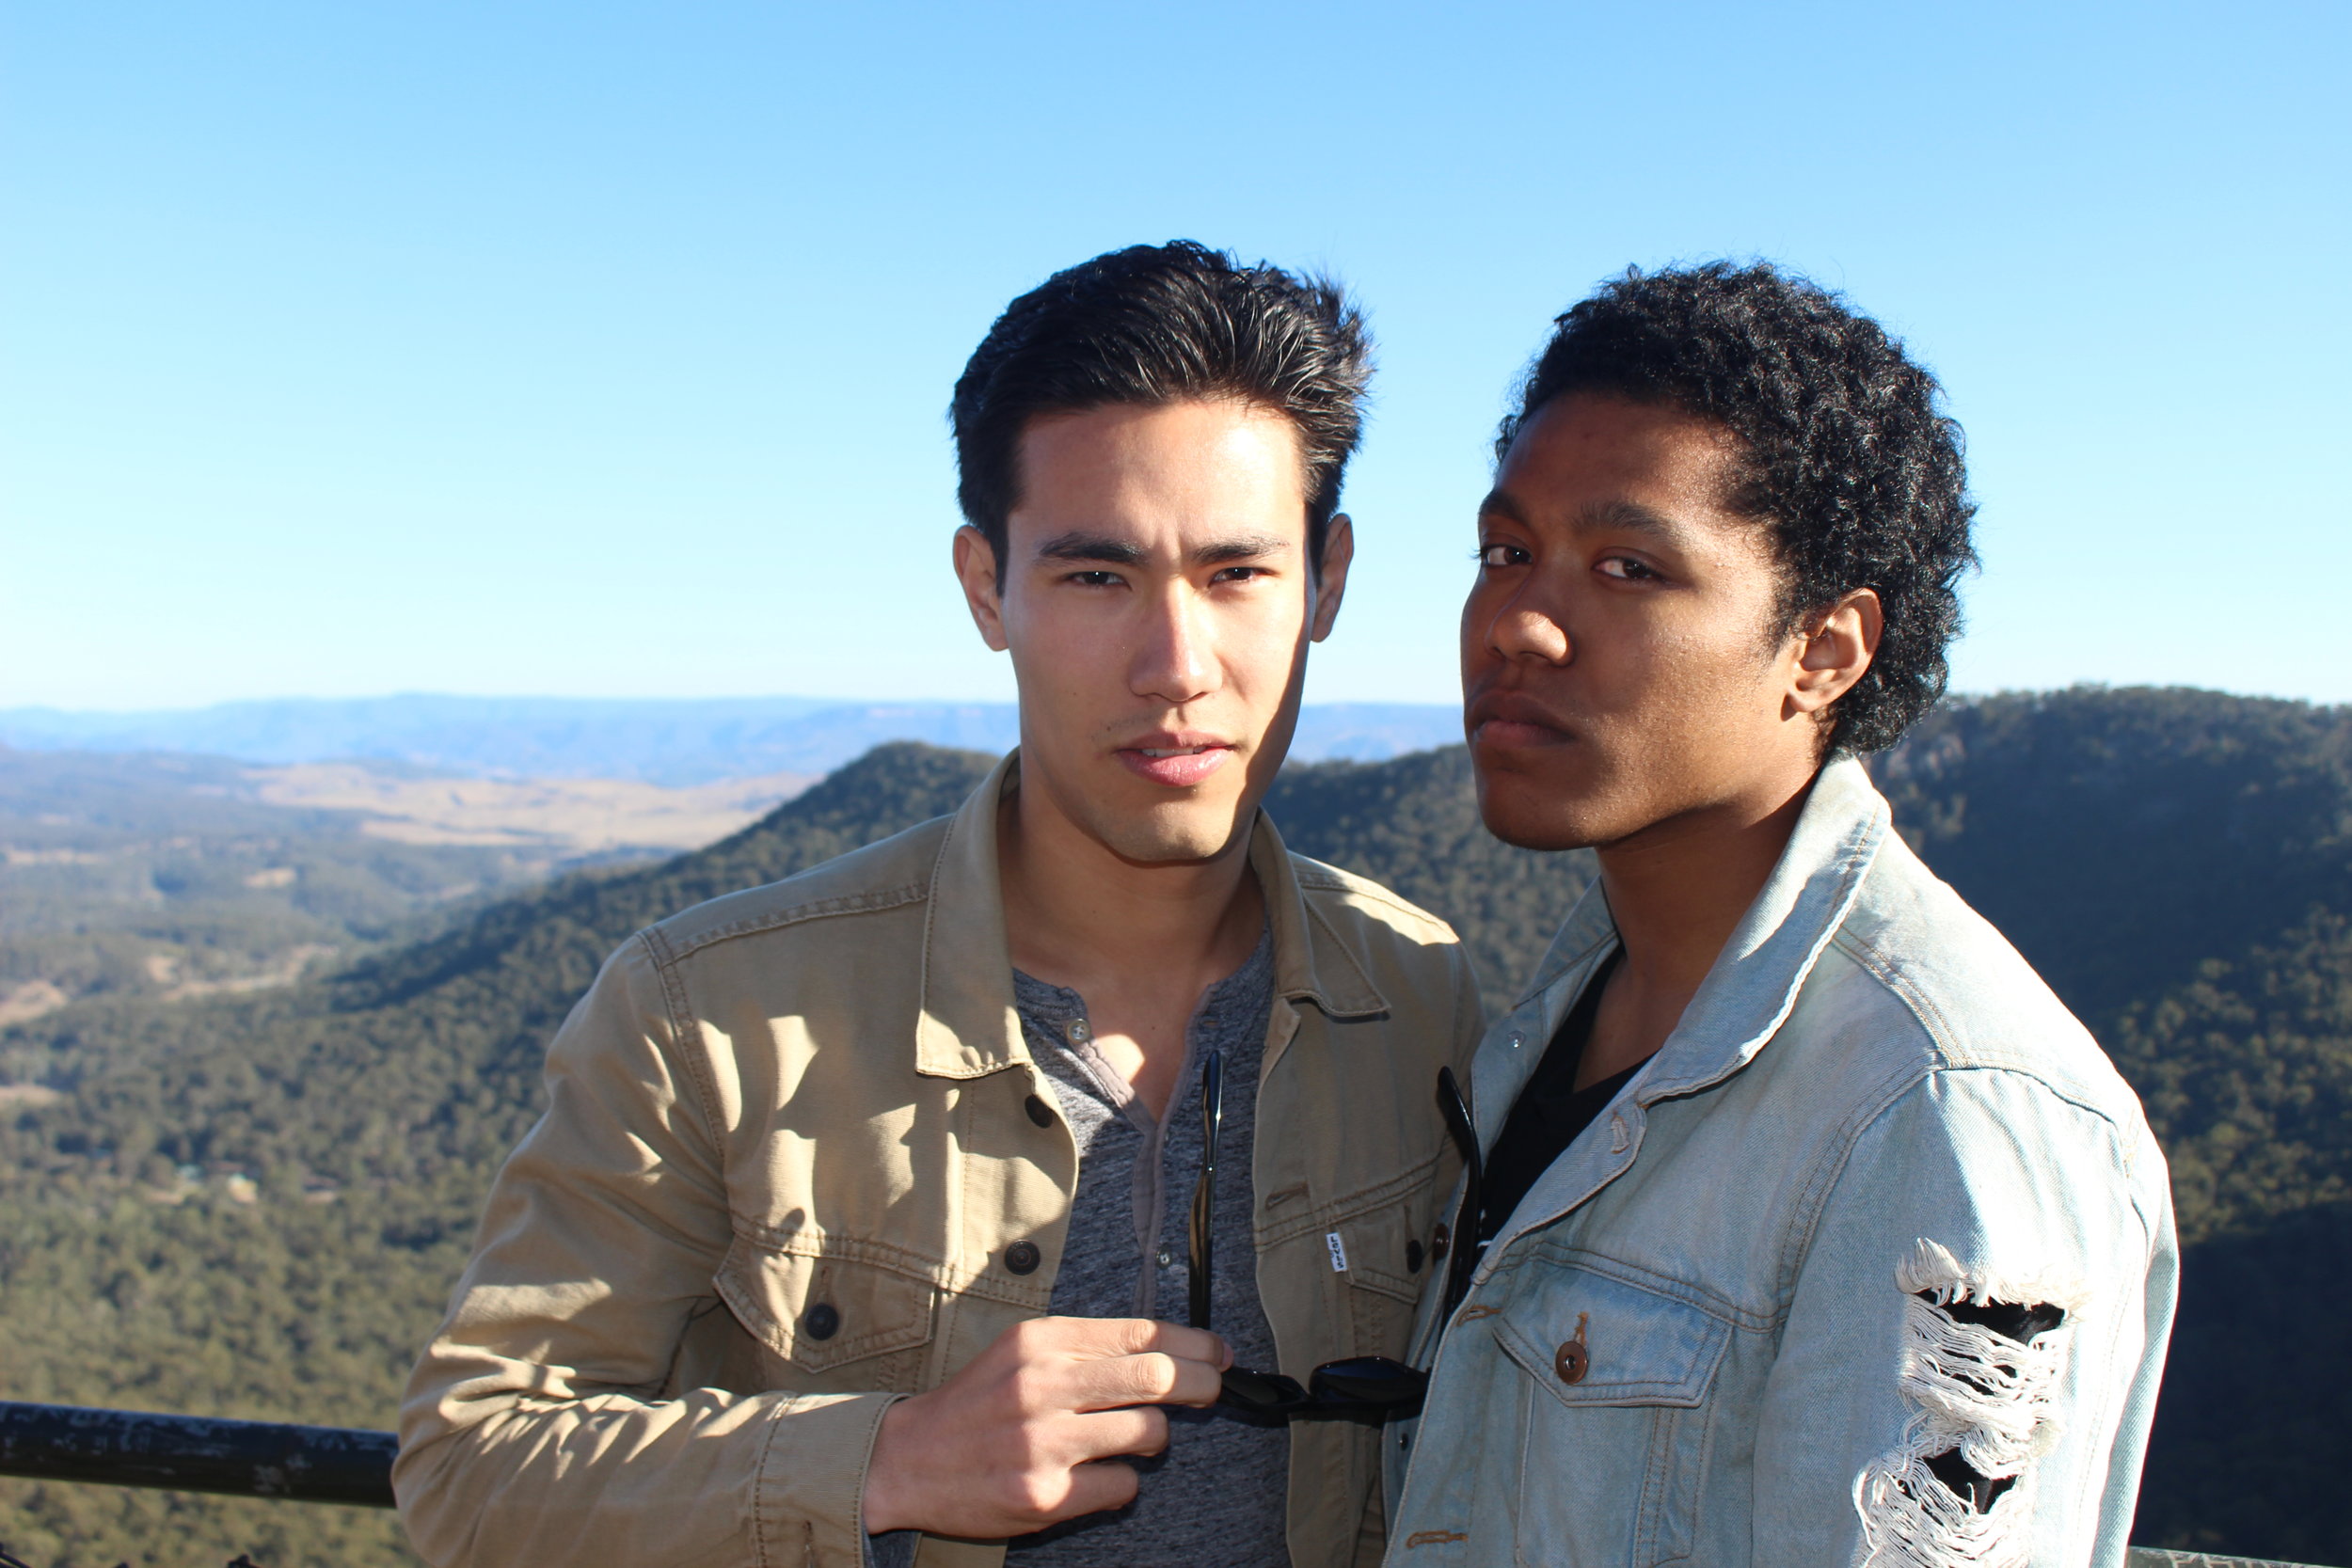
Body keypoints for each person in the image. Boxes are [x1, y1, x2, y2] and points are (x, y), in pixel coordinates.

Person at [393, 241, 1483, 1568]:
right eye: (1097, 577)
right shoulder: (712, 1015)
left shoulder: (1425, 1000)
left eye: (1236, 574)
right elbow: (469, 1468)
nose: (1176, 665)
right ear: (987, 589)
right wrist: (887, 1459)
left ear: (1330, 582)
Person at [1380, 262, 2176, 1568]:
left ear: (1824, 651)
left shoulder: (1947, 1114)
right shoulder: (1562, 1019)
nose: (1518, 618)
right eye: (1506, 550)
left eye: (1629, 567)